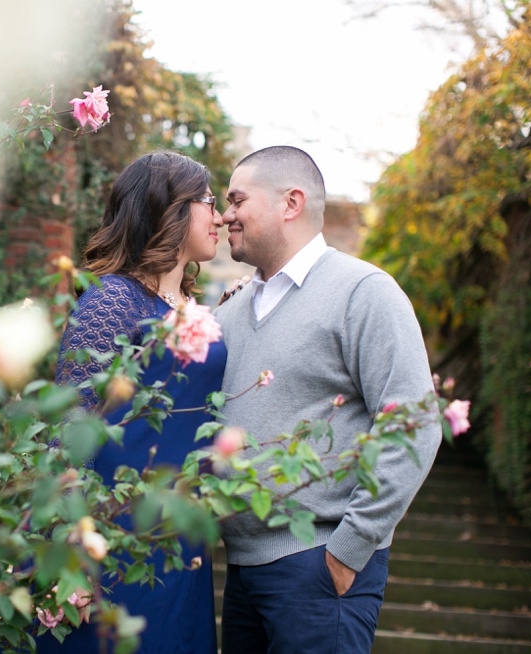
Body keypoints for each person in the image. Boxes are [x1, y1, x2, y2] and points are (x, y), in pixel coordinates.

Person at [213, 146, 442, 653]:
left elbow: (414, 424)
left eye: (237, 200)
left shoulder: (364, 292)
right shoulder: (229, 312)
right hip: (241, 570)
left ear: (290, 203)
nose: (225, 214)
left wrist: (349, 549)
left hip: (320, 565)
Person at [34, 151, 225, 654]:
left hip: (178, 534)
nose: (220, 214)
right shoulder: (112, 299)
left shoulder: (188, 307)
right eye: (209, 201)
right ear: (172, 210)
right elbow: (71, 427)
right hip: (112, 529)